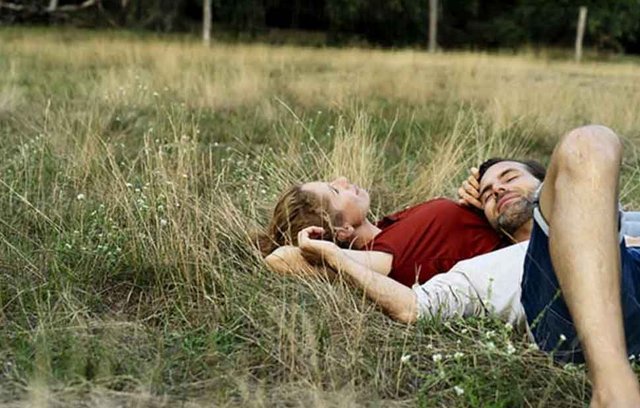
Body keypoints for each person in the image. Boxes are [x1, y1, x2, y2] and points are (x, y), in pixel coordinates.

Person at [257, 177, 504, 287]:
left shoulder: (389, 227)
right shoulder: (382, 257)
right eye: (335, 191)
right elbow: (279, 259)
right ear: (341, 230)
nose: (342, 180)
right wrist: (321, 249)